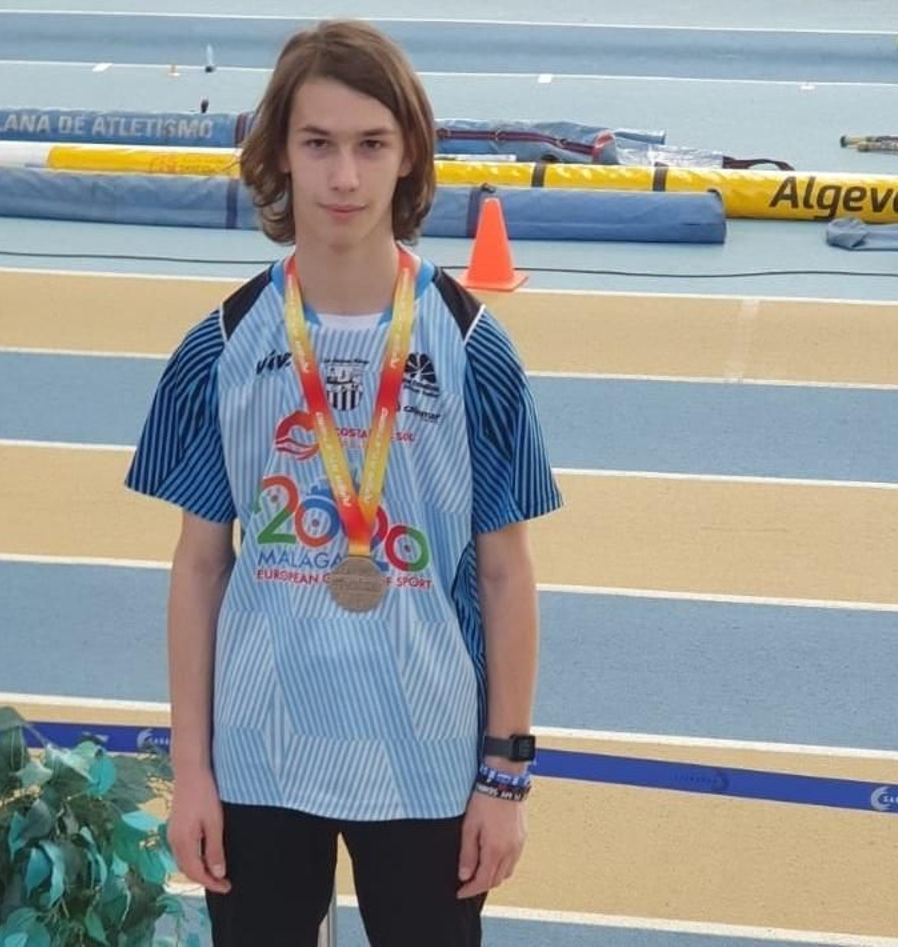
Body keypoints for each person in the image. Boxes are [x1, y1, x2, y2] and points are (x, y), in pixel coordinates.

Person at [125, 19, 561, 946]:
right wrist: (191, 772)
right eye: (318, 144)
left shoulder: (475, 346)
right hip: (258, 757)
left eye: (372, 146)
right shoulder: (222, 344)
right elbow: (200, 568)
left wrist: (505, 776)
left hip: (428, 759)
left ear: (410, 157)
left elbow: (506, 574)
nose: (345, 178)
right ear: (280, 154)